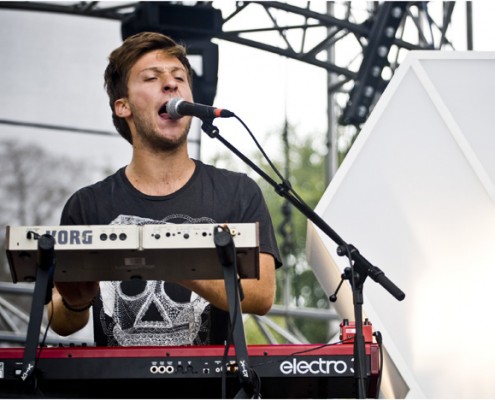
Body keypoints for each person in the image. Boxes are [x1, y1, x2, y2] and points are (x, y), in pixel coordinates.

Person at [47, 31, 282, 346]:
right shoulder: (88, 205)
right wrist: (75, 302)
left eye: (179, 78)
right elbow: (62, 322)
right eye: (151, 77)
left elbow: (262, 294)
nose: (171, 84)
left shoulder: (237, 192)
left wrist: (166, 259)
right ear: (123, 106)